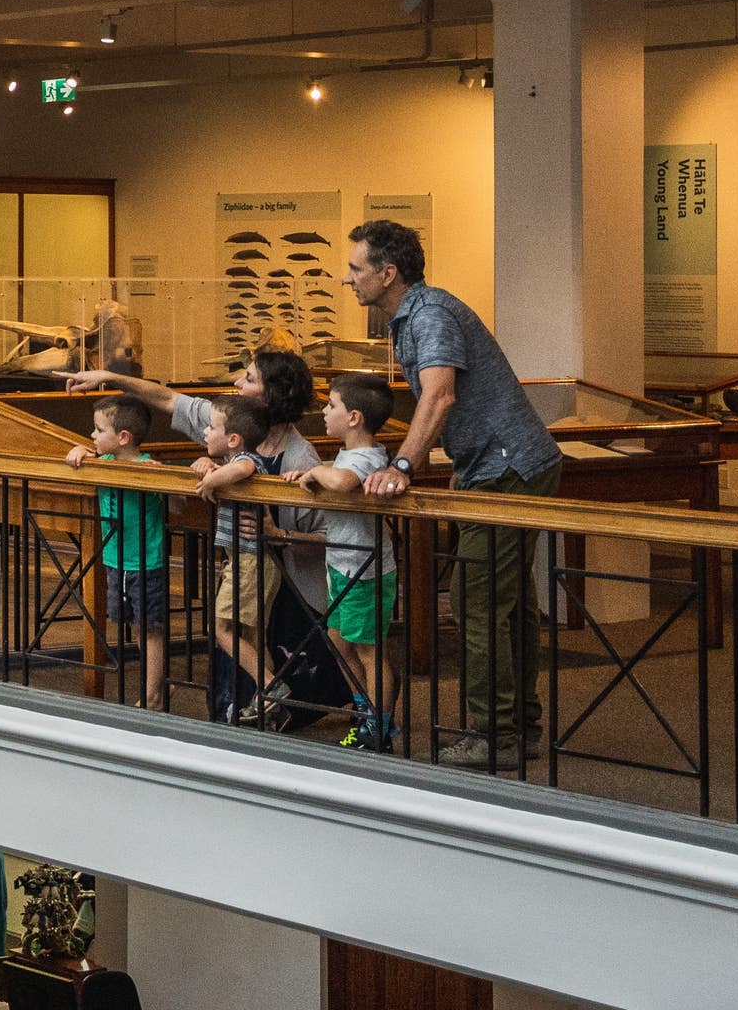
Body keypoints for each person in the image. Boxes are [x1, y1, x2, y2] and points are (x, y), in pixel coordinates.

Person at [345, 219, 563, 768]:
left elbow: (439, 396)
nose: (347, 278)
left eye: (355, 268)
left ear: (387, 272)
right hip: (505, 466)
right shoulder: (412, 316)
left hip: (507, 468)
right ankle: (519, 727)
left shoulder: (431, 314)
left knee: (479, 602)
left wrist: (402, 466)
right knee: (508, 604)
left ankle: (497, 735)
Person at [66, 348, 324, 720]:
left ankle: (274, 694)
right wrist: (110, 376)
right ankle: (263, 702)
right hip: (243, 559)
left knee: (237, 633)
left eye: (249, 379)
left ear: (271, 396)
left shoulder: (300, 458)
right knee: (239, 639)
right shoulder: (227, 419)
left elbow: (325, 539)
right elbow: (169, 399)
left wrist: (277, 532)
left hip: (287, 579)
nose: (237, 382)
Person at [294, 373, 402, 751]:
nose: (325, 411)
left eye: (332, 405)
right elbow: (335, 477)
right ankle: (364, 710)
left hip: (365, 571)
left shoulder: (369, 456)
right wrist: (310, 474)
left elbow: (341, 482)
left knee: (369, 651)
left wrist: (317, 471)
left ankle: (379, 726)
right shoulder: (347, 455)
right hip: (341, 565)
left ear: (354, 417)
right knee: (341, 645)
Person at [65, 395, 171, 710]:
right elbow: (76, 458)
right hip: (116, 560)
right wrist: (78, 451)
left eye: (99, 430)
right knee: (137, 626)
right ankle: (157, 687)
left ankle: (153, 696)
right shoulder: (102, 462)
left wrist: (160, 481)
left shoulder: (147, 467)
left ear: (123, 437)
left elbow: (178, 504)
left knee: (150, 628)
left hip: (145, 561)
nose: (93, 436)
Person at [189, 396, 283, 715]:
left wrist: (212, 479)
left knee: (223, 630)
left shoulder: (247, 460)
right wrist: (212, 467)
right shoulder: (233, 460)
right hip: (249, 561)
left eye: (212, 427)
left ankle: (271, 685)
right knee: (255, 638)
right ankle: (269, 698)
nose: (205, 431)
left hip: (249, 561)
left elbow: (244, 468)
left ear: (233, 438)